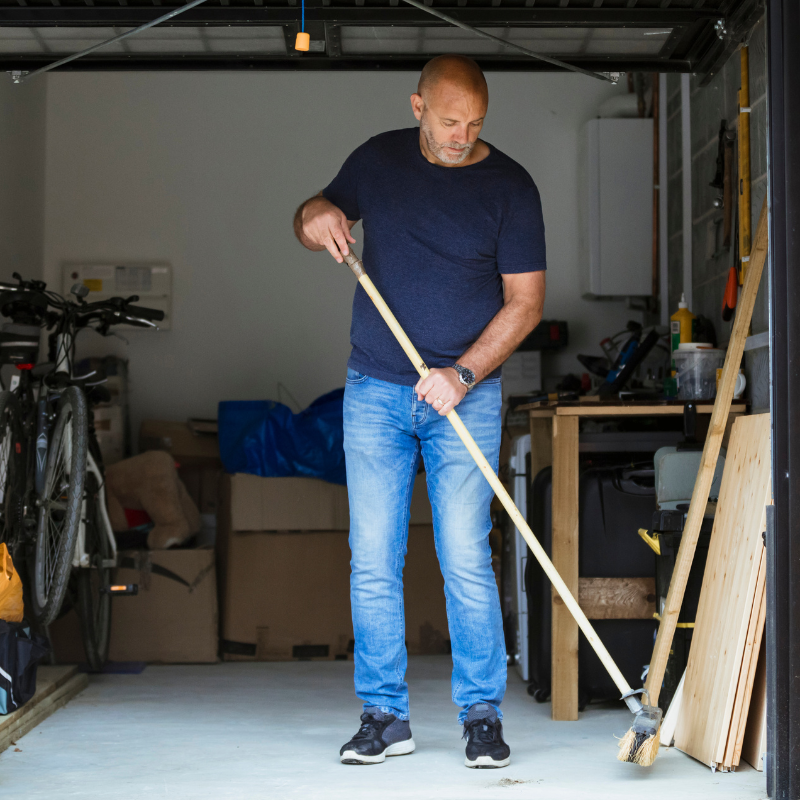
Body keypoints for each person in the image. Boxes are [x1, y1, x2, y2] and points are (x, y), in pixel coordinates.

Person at [293, 53, 546, 769]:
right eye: (447, 120)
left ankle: (481, 715)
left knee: (465, 554)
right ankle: (384, 715)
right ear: (417, 107)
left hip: (467, 395)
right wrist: (315, 215)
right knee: (373, 557)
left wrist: (461, 374)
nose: (461, 135)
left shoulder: (510, 187)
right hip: (375, 390)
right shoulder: (376, 163)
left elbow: (526, 304)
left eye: (474, 123)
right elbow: (314, 212)